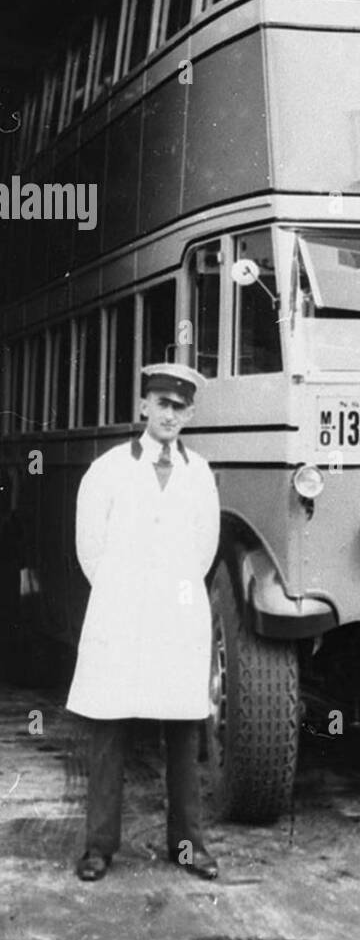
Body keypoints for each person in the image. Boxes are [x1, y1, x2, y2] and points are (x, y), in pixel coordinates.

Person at [67, 363, 221, 881]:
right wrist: (123, 592)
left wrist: (172, 596)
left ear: (190, 414)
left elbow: (204, 548)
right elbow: (90, 547)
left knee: (181, 732)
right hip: (121, 614)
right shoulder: (109, 469)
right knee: (109, 727)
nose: (170, 414)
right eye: (161, 404)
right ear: (143, 408)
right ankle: (98, 846)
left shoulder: (199, 473)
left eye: (179, 407)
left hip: (176, 620)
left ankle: (188, 845)